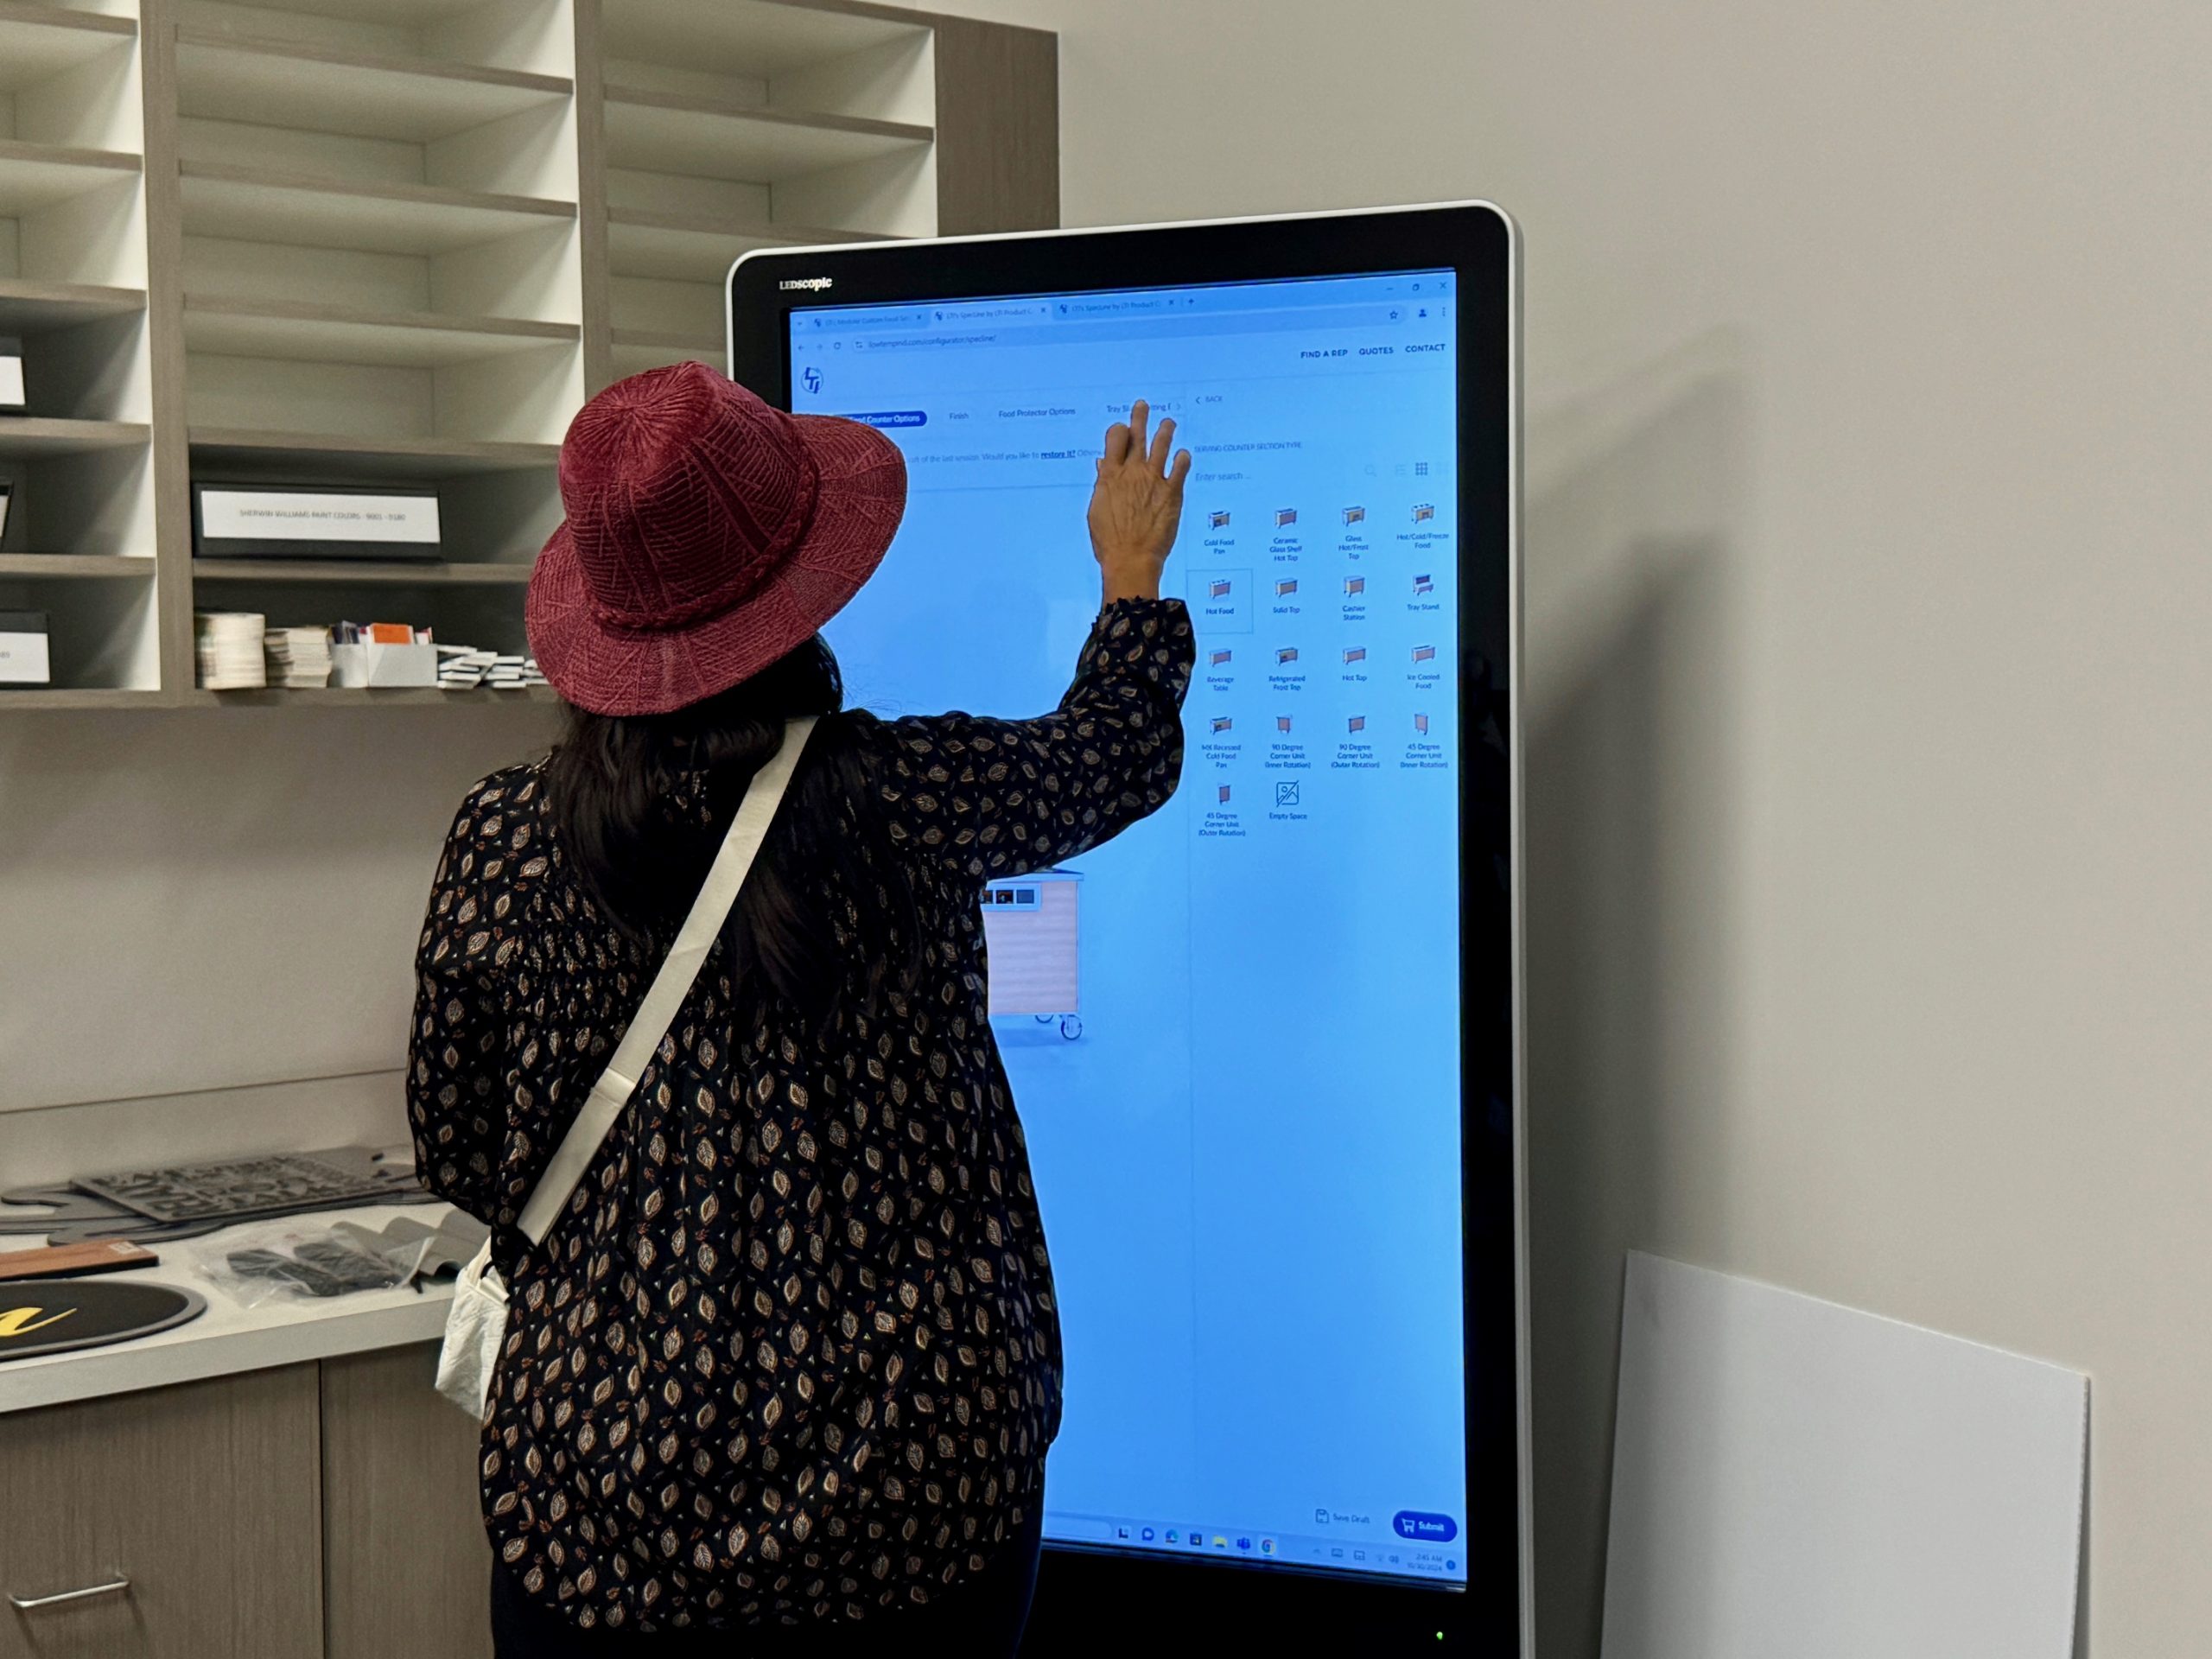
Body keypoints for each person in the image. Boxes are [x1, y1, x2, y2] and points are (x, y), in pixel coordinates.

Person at [406, 360, 1193, 1656]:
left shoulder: (503, 836)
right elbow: (1113, 753)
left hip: (605, 1501)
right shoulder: (905, 797)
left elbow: (457, 1144)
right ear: (801, 598)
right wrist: (1130, 582)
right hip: (915, 1486)